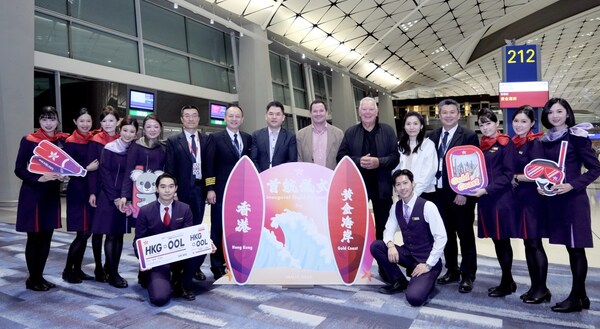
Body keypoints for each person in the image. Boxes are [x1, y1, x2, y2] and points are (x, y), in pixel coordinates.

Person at [537, 98, 600, 313]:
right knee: (570, 248)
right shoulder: (546, 140)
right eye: (551, 112)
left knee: (576, 249)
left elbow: (595, 168)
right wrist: (542, 185)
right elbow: (546, 170)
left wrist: (572, 185)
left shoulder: (577, 137)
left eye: (559, 111)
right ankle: (581, 296)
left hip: (573, 201)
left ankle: (575, 298)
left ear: (567, 113)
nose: (555, 115)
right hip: (555, 201)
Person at [133, 173, 216, 306]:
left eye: (171, 186)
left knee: (201, 249)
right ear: (156, 189)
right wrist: (143, 261)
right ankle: (147, 276)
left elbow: (190, 237)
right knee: (160, 299)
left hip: (179, 259)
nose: (167, 190)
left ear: (176, 188)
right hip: (157, 262)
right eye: (163, 187)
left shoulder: (184, 209)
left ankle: (182, 282)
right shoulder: (145, 211)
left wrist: (207, 242)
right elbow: (138, 241)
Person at [370, 169, 447, 306]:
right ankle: (399, 281)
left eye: (405, 183)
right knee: (377, 246)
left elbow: (441, 237)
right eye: (398, 185)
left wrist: (428, 264)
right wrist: (391, 245)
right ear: (395, 188)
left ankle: (425, 279)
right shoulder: (396, 207)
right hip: (409, 256)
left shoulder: (427, 206)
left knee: (414, 298)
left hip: (427, 260)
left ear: (413, 184)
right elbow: (388, 230)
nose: (402, 187)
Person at [14, 106, 69, 291]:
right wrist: (39, 178)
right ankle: (33, 279)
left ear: (57, 121)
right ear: (39, 120)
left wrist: (63, 175)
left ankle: (40, 276)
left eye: (52, 119)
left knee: (47, 237)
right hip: (33, 194)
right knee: (34, 238)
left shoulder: (61, 141)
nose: (48, 122)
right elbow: (19, 169)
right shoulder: (29, 140)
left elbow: (65, 164)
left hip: (51, 195)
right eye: (44, 119)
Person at [427, 98, 479, 293]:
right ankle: (452, 270)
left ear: (459, 115)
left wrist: (463, 191)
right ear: (439, 115)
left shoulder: (468, 135)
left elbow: (472, 167)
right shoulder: (432, 136)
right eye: (444, 112)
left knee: (465, 235)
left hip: (460, 195)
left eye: (452, 112)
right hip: (439, 194)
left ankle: (468, 275)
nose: (448, 115)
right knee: (446, 234)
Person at [337, 97, 399, 241]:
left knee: (384, 226)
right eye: (364, 109)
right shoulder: (350, 133)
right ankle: (359, 259)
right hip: (357, 187)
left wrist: (379, 162)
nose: (367, 112)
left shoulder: (388, 131)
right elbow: (341, 157)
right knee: (356, 225)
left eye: (371, 109)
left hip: (382, 187)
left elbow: (395, 157)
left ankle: (383, 260)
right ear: (359, 112)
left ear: (377, 112)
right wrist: (358, 161)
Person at [472, 108, 518, 298]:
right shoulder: (481, 145)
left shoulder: (505, 143)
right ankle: (509, 281)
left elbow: (508, 174)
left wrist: (487, 189)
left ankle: (506, 282)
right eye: (482, 124)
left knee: (502, 240)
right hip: (486, 200)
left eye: (489, 123)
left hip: (500, 199)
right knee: (497, 241)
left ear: (497, 124)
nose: (485, 127)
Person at [205, 105, 252, 279]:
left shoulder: (247, 139)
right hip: (220, 191)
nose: (234, 119)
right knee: (218, 227)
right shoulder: (215, 138)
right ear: (225, 118)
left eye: (237, 116)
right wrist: (210, 188)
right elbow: (209, 165)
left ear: (242, 119)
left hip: (242, 193)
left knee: (238, 227)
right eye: (231, 116)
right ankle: (216, 265)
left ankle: (234, 261)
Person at [91, 116, 138, 288]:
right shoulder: (109, 148)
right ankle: (113, 274)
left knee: (118, 235)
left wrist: (126, 197)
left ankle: (111, 268)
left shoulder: (135, 149)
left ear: (136, 133)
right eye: (125, 130)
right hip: (110, 197)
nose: (128, 134)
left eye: (132, 131)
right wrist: (115, 197)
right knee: (110, 234)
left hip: (126, 197)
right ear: (120, 130)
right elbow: (105, 174)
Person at [120, 114, 166, 286]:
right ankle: (143, 269)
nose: (152, 130)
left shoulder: (163, 148)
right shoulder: (135, 147)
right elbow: (127, 171)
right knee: (140, 236)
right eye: (149, 127)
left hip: (158, 197)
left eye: (155, 127)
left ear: (160, 129)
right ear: (143, 129)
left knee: (156, 234)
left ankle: (152, 271)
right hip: (138, 198)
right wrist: (125, 195)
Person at [510, 105, 550, 304]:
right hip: (520, 199)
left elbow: (539, 172)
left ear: (532, 123)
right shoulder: (515, 143)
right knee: (528, 243)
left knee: (534, 243)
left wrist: (515, 177)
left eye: (523, 121)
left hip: (532, 199)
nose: (519, 125)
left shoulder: (535, 143)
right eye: (516, 121)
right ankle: (535, 286)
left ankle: (542, 289)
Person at [165, 106, 210, 281]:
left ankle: (195, 267)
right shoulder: (173, 140)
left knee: (196, 229)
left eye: (194, 116)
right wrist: (173, 192)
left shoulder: (207, 140)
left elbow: (210, 167)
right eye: (187, 116)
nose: (191, 119)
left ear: (199, 119)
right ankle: (178, 269)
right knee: (179, 229)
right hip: (180, 191)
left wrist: (209, 188)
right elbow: (169, 168)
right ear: (182, 119)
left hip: (199, 190)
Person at [63, 108, 99, 283]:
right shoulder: (71, 141)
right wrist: (87, 169)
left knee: (87, 232)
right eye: (82, 121)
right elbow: (69, 170)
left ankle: (77, 269)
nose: (86, 124)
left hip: (90, 190)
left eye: (89, 121)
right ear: (75, 122)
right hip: (78, 190)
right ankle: (67, 270)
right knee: (82, 233)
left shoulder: (92, 139)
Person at [87, 106, 120, 282]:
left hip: (117, 190)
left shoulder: (123, 139)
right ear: (100, 123)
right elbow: (92, 168)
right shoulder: (95, 141)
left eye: (111, 120)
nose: (108, 124)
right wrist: (92, 192)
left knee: (114, 231)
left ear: (117, 122)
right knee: (98, 231)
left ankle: (110, 266)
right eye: (104, 121)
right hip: (100, 191)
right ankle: (99, 268)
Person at [393, 111, 437, 198]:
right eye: (408, 124)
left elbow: (429, 172)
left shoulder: (428, 145)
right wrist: (401, 189)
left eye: (415, 123)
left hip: (424, 192)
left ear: (421, 126)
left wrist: (414, 194)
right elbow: (396, 170)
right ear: (404, 126)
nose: (411, 127)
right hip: (404, 192)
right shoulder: (399, 145)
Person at [296, 100, 344, 170]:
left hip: (332, 177)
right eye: (315, 111)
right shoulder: (301, 135)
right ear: (310, 114)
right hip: (309, 178)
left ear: (326, 113)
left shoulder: (338, 134)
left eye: (321, 111)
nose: (318, 114)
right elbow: (299, 159)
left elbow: (342, 159)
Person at [250, 100, 297, 172]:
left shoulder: (290, 137)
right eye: (271, 114)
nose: (274, 117)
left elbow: (292, 160)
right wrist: (261, 175)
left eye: (278, 114)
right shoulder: (257, 135)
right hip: (261, 177)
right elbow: (253, 159)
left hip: (282, 177)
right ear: (266, 116)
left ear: (283, 117)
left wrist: (277, 175)